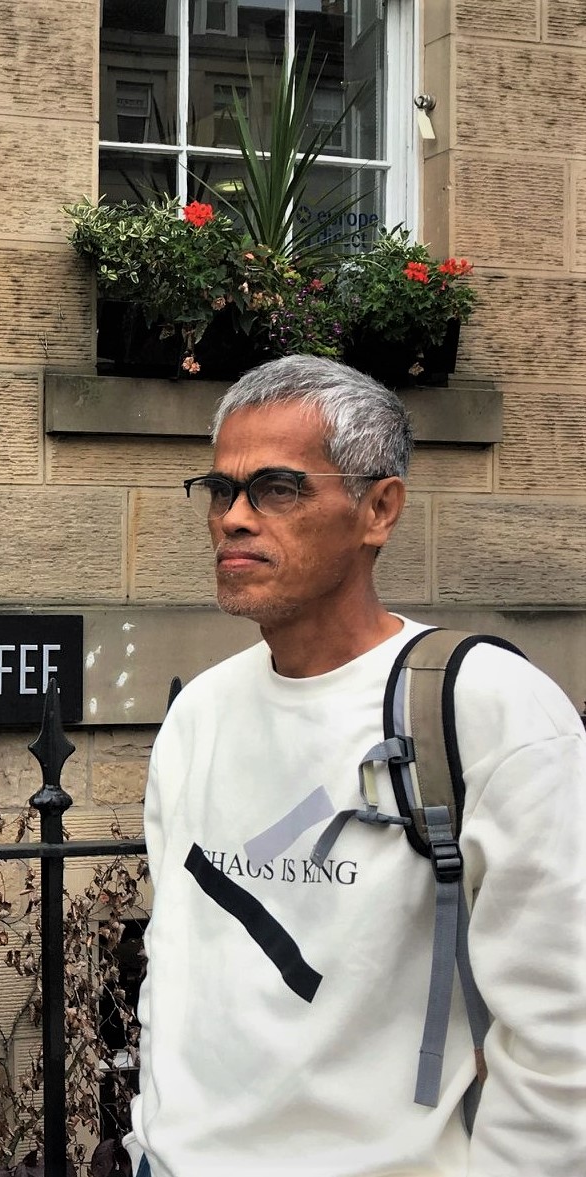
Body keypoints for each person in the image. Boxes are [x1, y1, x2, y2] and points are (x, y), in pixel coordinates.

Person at [125, 356, 586, 1175]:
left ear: (378, 508)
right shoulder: (199, 713)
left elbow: (562, 1038)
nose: (233, 518)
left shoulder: (488, 709)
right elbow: (177, 960)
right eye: (220, 489)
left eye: (276, 488)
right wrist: (149, 1138)